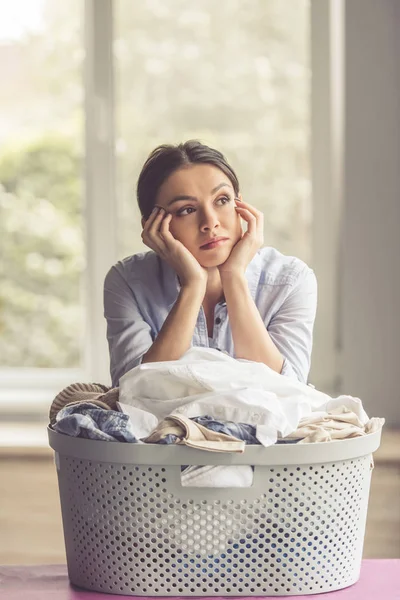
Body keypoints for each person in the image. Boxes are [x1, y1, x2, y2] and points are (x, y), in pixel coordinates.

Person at [104, 140, 317, 388]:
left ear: (241, 205)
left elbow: (288, 393)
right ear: (152, 226)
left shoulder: (290, 280)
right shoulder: (128, 281)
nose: (210, 222)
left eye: (222, 200)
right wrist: (193, 285)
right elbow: (134, 393)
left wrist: (233, 276)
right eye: (186, 210)